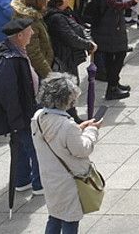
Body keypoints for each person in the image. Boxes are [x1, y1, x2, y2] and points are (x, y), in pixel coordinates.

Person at [31, 73, 101, 234]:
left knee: (55, 216)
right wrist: (92, 130)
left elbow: (57, 139)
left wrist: (79, 128)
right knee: (70, 219)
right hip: (69, 180)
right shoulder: (66, 126)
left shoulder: (38, 118)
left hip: (50, 178)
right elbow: (82, 149)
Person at [0, 16, 42, 194]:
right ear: (19, 36)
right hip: (22, 114)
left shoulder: (17, 53)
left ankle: (22, 179)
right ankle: (39, 184)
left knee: (21, 147)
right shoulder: (9, 60)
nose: (32, 33)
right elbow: (8, 94)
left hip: (25, 111)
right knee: (34, 148)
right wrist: (17, 120)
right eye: (29, 31)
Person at [83, 0, 137, 101]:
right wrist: (132, 2)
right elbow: (115, 5)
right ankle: (112, 88)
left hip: (101, 26)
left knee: (110, 57)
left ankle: (115, 83)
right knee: (118, 55)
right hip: (112, 27)